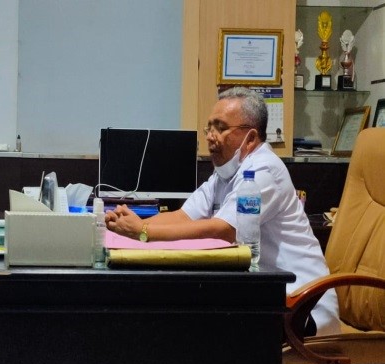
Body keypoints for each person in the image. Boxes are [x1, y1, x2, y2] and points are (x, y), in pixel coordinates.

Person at [105, 86, 340, 337]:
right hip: (264, 297)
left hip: (301, 307)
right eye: (209, 128)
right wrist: (129, 226)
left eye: (220, 127)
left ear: (250, 137)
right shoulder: (225, 173)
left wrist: (143, 231)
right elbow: (183, 216)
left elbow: (225, 230)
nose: (210, 136)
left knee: (190, 325)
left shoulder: (264, 171)